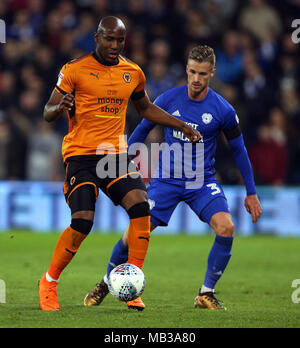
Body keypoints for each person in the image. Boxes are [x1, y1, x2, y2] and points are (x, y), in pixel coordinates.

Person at [38, 16, 200, 312]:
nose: (114, 45)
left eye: (120, 40)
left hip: (114, 155)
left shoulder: (132, 72)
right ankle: (49, 281)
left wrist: (182, 125)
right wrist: (58, 107)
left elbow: (146, 108)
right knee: (83, 222)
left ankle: (133, 282)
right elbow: (47, 112)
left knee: (141, 208)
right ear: (97, 37)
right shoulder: (74, 69)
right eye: (109, 39)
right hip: (81, 155)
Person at [84, 45, 262, 311]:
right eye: (192, 72)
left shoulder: (222, 109)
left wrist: (251, 191)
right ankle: (105, 283)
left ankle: (205, 293)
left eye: (202, 73)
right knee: (133, 234)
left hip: (200, 182)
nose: (196, 79)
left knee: (226, 227)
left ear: (212, 73)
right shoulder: (168, 99)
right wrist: (123, 165)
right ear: (187, 69)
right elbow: (142, 131)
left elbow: (239, 150)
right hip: (166, 181)